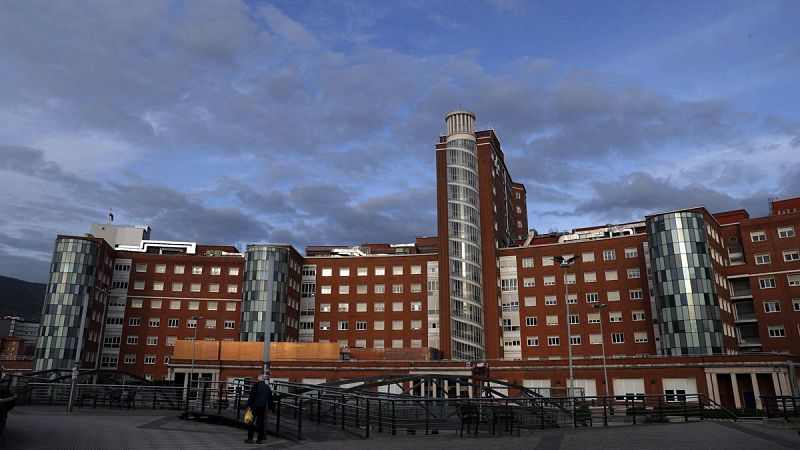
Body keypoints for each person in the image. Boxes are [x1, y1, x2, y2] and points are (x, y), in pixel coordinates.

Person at [245, 374, 273, 444]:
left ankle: (250, 439)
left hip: (254, 407)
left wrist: (249, 405)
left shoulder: (255, 386)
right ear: (264, 380)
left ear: (258, 380)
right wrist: (270, 408)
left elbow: (252, 396)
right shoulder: (267, 387)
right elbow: (270, 399)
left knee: (251, 422)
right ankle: (259, 439)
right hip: (262, 407)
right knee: (261, 424)